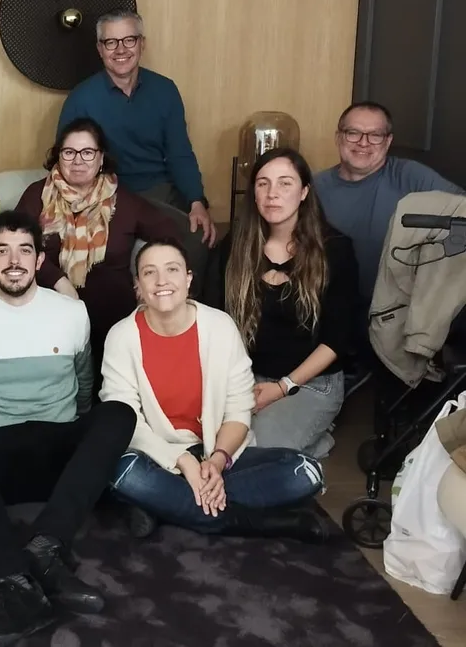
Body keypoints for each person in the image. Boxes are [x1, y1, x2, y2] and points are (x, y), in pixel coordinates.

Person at [0, 210, 136, 646]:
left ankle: (46, 546)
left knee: (118, 412)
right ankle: (17, 590)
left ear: (39, 259)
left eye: (24, 250)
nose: (14, 261)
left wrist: (83, 450)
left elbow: (85, 387)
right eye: (2, 251)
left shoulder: (72, 313)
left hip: (57, 452)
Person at [101, 239, 328, 542]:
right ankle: (260, 523)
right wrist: (183, 461)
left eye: (172, 269)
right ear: (138, 285)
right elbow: (123, 419)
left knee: (305, 471)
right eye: (149, 272)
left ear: (188, 278)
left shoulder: (220, 327)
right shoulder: (121, 337)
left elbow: (238, 409)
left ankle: (162, 504)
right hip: (156, 457)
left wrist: (217, 462)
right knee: (121, 470)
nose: (161, 281)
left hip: (216, 453)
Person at [210, 148, 357, 459]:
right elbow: (214, 319)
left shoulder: (335, 250)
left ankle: (304, 441)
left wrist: (282, 387)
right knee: (212, 445)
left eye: (285, 183)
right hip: (246, 377)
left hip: (310, 383)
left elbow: (337, 340)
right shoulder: (235, 244)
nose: (272, 193)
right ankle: (308, 443)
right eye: (263, 184)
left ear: (304, 192)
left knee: (252, 454)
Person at [15, 117, 178, 375]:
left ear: (101, 158)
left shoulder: (123, 200)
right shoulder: (37, 195)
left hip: (112, 314)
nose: (78, 160)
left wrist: (145, 276)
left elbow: (169, 234)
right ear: (58, 156)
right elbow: (17, 245)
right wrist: (59, 281)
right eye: (69, 152)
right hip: (49, 307)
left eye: (87, 152)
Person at [56, 9, 217, 263]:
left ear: (142, 44)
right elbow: (64, 161)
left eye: (129, 40)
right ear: (100, 49)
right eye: (111, 42)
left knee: (203, 236)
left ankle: (191, 291)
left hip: (160, 190)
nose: (121, 49)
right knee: (180, 239)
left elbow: (180, 153)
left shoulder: (165, 90)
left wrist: (197, 202)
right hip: (107, 194)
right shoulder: (81, 99)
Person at [314, 101, 464, 305]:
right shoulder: (314, 187)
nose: (363, 143)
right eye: (353, 133)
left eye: (375, 135)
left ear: (388, 141)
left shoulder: (411, 176)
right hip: (330, 305)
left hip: (397, 309)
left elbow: (462, 209)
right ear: (338, 137)